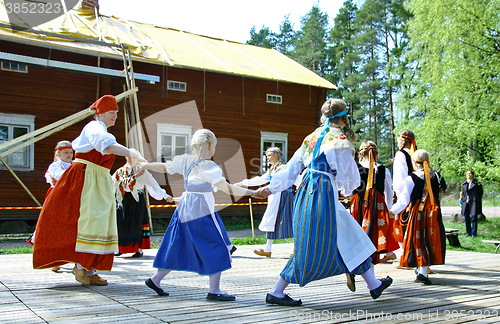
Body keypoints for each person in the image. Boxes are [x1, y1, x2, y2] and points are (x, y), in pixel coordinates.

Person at [254, 99, 392, 306]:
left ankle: (373, 285)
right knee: (312, 243)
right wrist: (346, 191)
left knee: (350, 234)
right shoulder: (340, 139)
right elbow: (350, 174)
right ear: (343, 118)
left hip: (307, 191)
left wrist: (270, 188)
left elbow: (292, 168)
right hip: (322, 192)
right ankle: (276, 291)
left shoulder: (311, 137)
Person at [32, 94, 145, 286]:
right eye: (111, 112)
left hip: (98, 178)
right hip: (86, 178)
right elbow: (106, 145)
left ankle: (90, 268)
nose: (115, 116)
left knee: (101, 223)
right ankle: (81, 265)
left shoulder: (101, 129)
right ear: (100, 113)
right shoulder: (94, 127)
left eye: (116, 113)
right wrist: (130, 152)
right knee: (88, 221)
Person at [141, 129, 256, 301]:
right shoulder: (209, 167)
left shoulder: (187, 161)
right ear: (210, 146)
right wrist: (252, 193)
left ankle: (155, 280)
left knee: (177, 243)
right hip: (201, 210)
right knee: (217, 245)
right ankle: (214, 291)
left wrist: (145, 165)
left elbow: (165, 167)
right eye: (215, 146)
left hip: (185, 208)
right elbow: (227, 188)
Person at [390, 149, 446, 285]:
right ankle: (422, 270)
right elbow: (440, 193)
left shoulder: (411, 178)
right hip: (433, 211)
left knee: (418, 240)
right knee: (430, 240)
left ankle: (421, 271)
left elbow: (404, 199)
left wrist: (393, 210)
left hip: (418, 212)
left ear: (414, 163)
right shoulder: (436, 176)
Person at [113, 149, 173, 258]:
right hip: (123, 200)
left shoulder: (141, 171)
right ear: (126, 157)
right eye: (129, 156)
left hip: (137, 200)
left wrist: (165, 195)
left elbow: (152, 184)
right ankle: (121, 248)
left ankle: (138, 250)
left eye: (133, 157)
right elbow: (111, 184)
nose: (131, 159)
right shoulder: (120, 171)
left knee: (136, 224)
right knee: (121, 223)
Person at [236, 147, 293, 258]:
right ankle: (267, 249)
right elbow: (261, 179)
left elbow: (290, 180)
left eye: (269, 155)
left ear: (277, 155)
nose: (267, 157)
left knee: (290, 220)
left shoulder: (283, 167)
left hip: (284, 196)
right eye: (266, 155)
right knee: (272, 220)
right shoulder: (273, 168)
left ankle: (297, 250)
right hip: (275, 196)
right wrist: (244, 183)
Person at [27, 140, 74, 273]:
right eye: (66, 152)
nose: (69, 155)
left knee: (69, 228)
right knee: (53, 226)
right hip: (56, 198)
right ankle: (52, 258)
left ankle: (66, 256)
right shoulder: (55, 166)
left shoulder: (74, 165)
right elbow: (62, 177)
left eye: (70, 152)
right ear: (58, 153)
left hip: (71, 199)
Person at [350, 141, 398, 264]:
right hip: (377, 204)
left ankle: (358, 256)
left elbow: (350, 187)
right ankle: (372, 256)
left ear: (360, 153)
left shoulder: (354, 167)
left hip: (359, 203)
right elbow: (389, 192)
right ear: (376, 153)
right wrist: (389, 208)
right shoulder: (383, 170)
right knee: (375, 230)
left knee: (357, 229)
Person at [391, 129, 417, 264]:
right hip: (417, 194)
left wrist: (400, 198)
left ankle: (405, 256)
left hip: (405, 194)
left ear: (402, 140)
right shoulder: (416, 154)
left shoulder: (401, 155)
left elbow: (399, 178)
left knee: (402, 226)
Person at [460, 170, 483, 237]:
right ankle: (468, 232)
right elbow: (463, 192)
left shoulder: (477, 183)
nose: (468, 175)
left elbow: (480, 192)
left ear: (472, 175)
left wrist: (476, 199)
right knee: (466, 217)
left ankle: (474, 233)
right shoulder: (464, 184)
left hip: (474, 202)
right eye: (467, 173)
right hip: (466, 202)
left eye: (470, 173)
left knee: (474, 217)